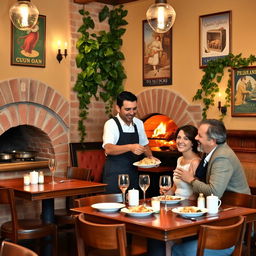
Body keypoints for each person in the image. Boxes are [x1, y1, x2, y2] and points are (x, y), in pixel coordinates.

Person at [171, 119, 250, 256]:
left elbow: (214, 192)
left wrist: (190, 180)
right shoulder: (215, 152)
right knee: (174, 241)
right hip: (221, 219)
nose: (196, 138)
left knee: (176, 249)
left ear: (212, 141)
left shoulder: (222, 157)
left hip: (231, 229)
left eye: (200, 136)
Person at [102, 91, 158, 193]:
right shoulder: (111, 124)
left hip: (133, 174)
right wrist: (130, 147)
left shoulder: (139, 123)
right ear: (118, 108)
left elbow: (144, 144)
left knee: (133, 207)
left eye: (134, 109)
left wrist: (150, 158)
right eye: (127, 109)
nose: (132, 113)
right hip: (115, 176)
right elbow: (108, 149)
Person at [163, 125, 201, 199]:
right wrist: (166, 193)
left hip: (188, 206)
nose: (180, 141)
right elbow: (175, 188)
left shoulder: (195, 162)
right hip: (176, 202)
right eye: (178, 137)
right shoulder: (179, 159)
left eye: (186, 139)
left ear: (193, 142)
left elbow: (197, 193)